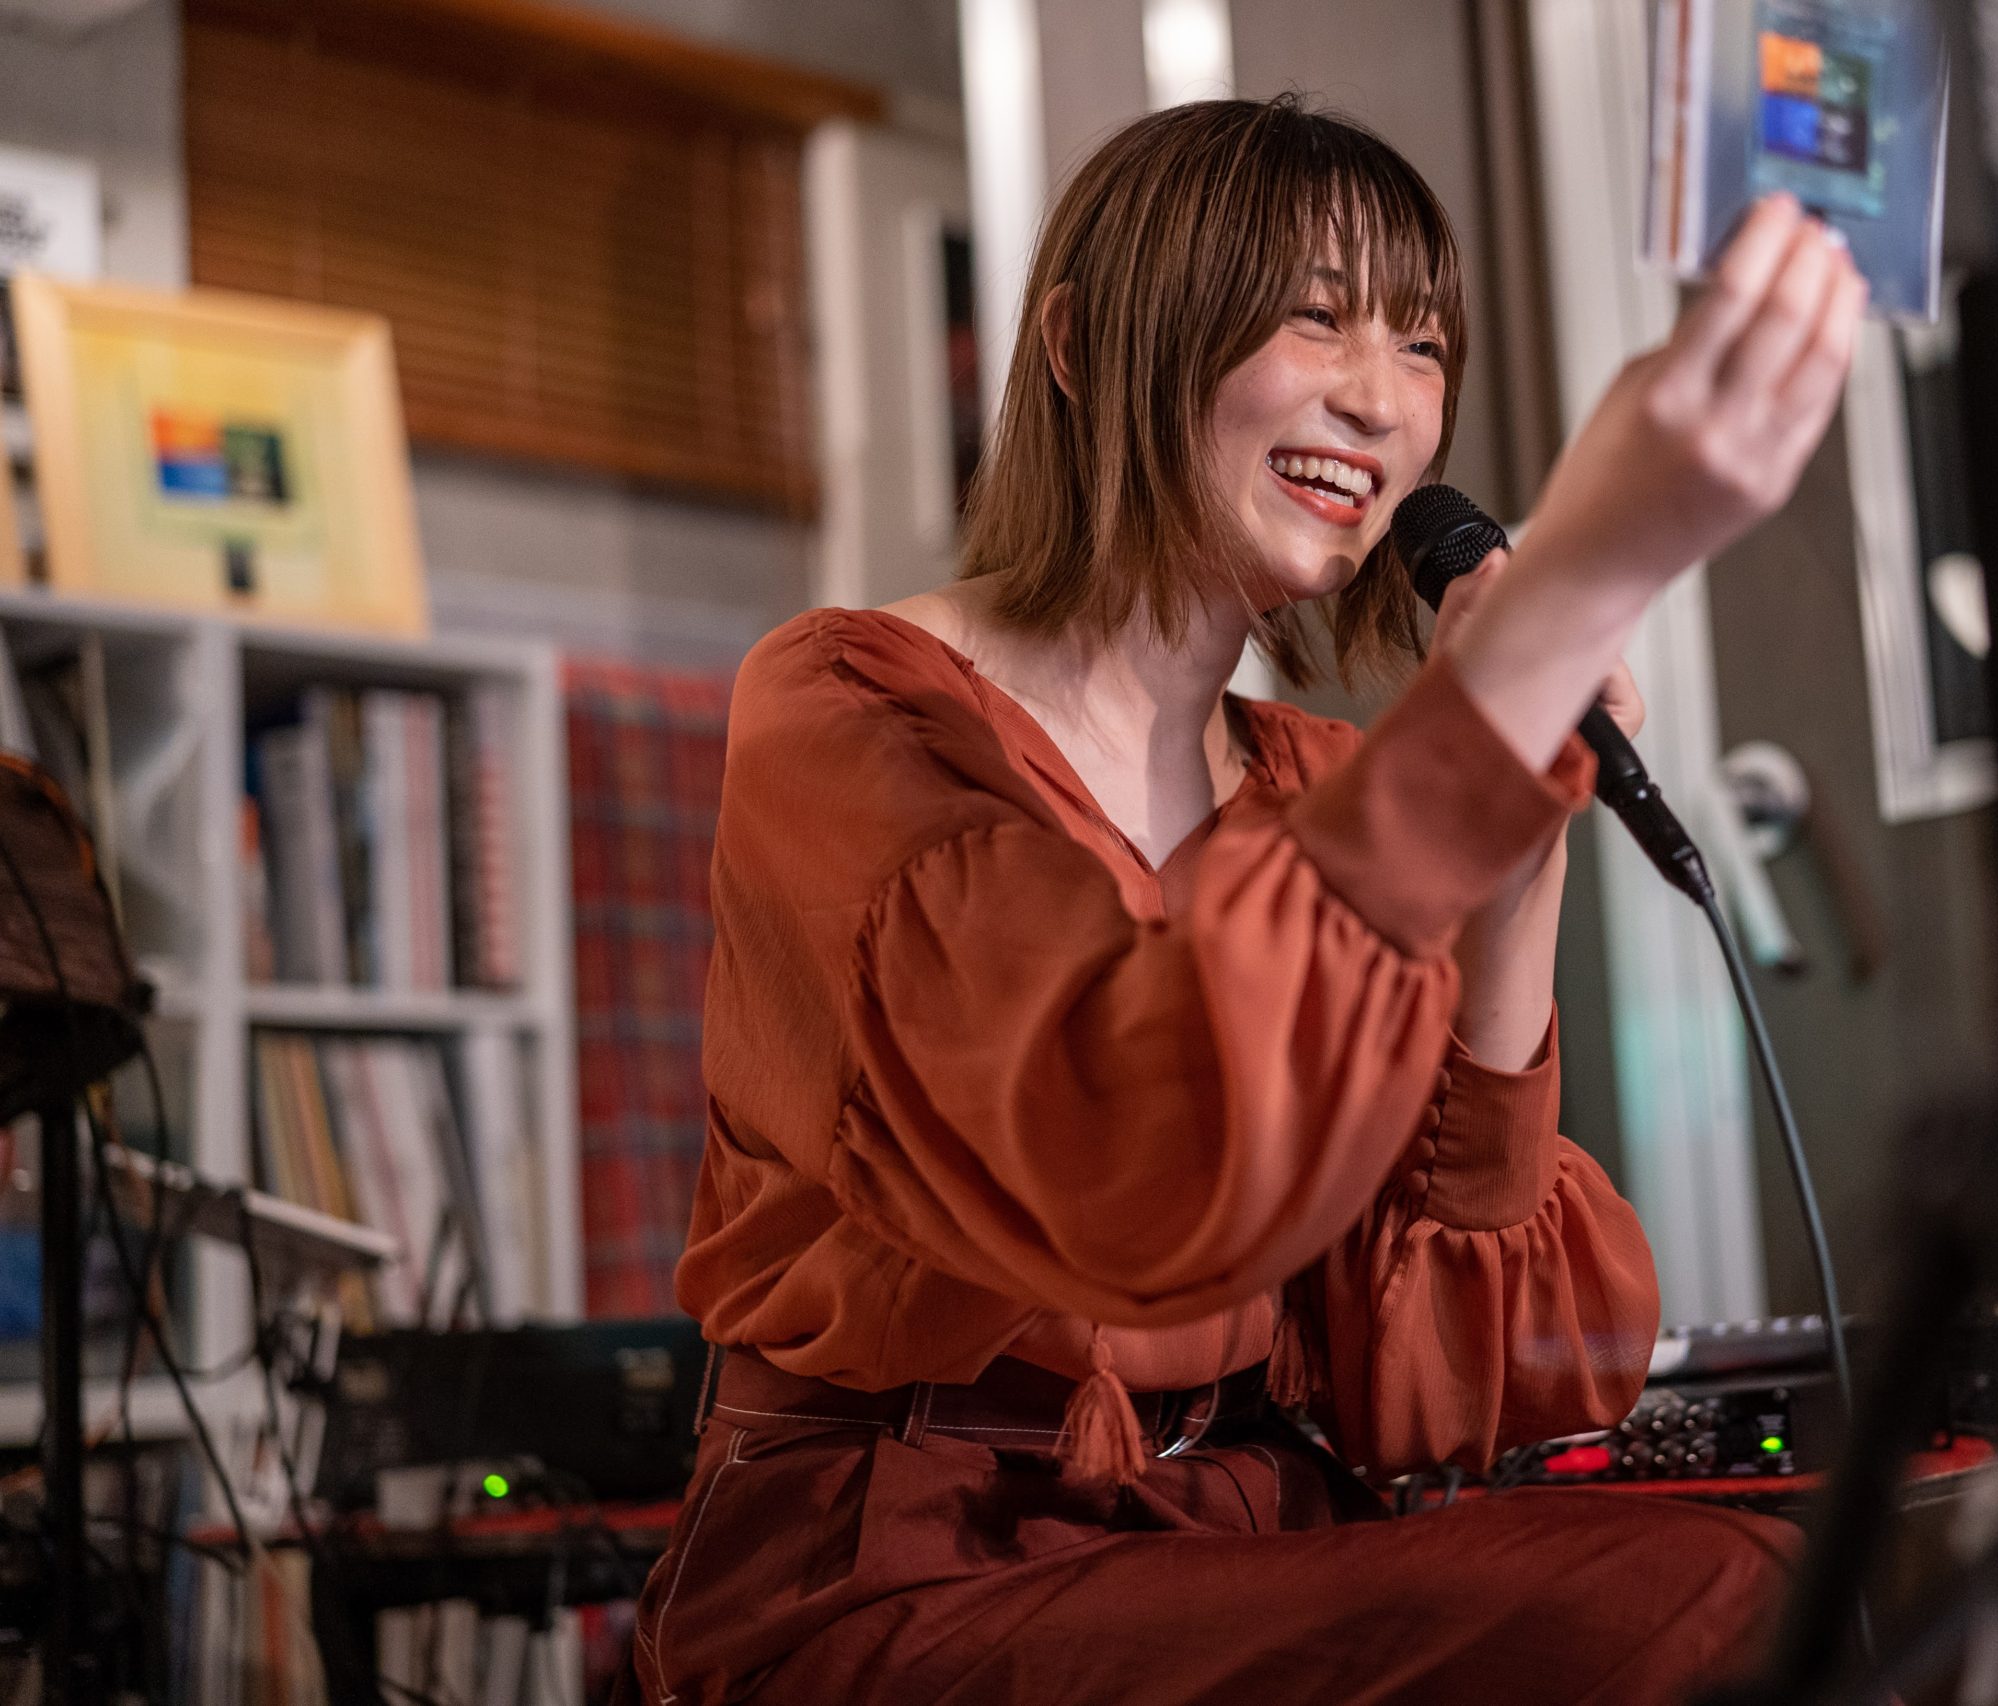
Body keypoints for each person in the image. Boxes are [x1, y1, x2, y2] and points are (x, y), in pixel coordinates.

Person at [629, 97, 1865, 1705]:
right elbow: (1125, 1143)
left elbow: (1454, 1381)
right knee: (1694, 1607)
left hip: (1238, 1533)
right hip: (899, 1567)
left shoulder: (1312, 783)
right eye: (1317, 318)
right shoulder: (848, 702)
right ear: (1083, 346)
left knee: (1776, 1578)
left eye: (1422, 346)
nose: (1382, 398)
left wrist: (1522, 834)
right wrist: (1553, 618)